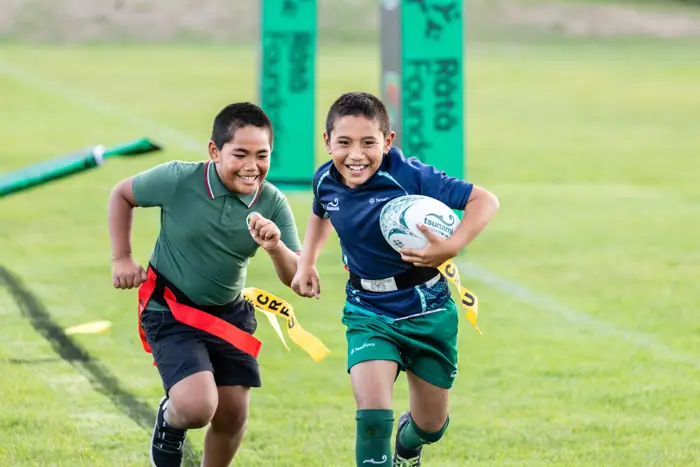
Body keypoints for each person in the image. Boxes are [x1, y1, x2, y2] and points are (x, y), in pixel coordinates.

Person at [291, 92, 499, 466]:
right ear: (327, 142)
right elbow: (321, 213)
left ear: (388, 141)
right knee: (371, 415)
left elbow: (485, 201)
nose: (356, 155)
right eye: (344, 143)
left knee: (431, 425)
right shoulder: (325, 178)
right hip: (367, 310)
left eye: (368, 143)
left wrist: (451, 247)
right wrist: (307, 262)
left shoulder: (409, 175)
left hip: (427, 309)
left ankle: (409, 442)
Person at [107, 102, 302, 467]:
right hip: (171, 310)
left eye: (262, 155)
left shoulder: (273, 202)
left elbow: (298, 279)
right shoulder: (179, 179)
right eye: (239, 154)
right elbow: (122, 194)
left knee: (231, 417)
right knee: (197, 407)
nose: (251, 166)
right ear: (214, 151)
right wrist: (121, 257)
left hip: (229, 316)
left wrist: (275, 248)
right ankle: (171, 418)